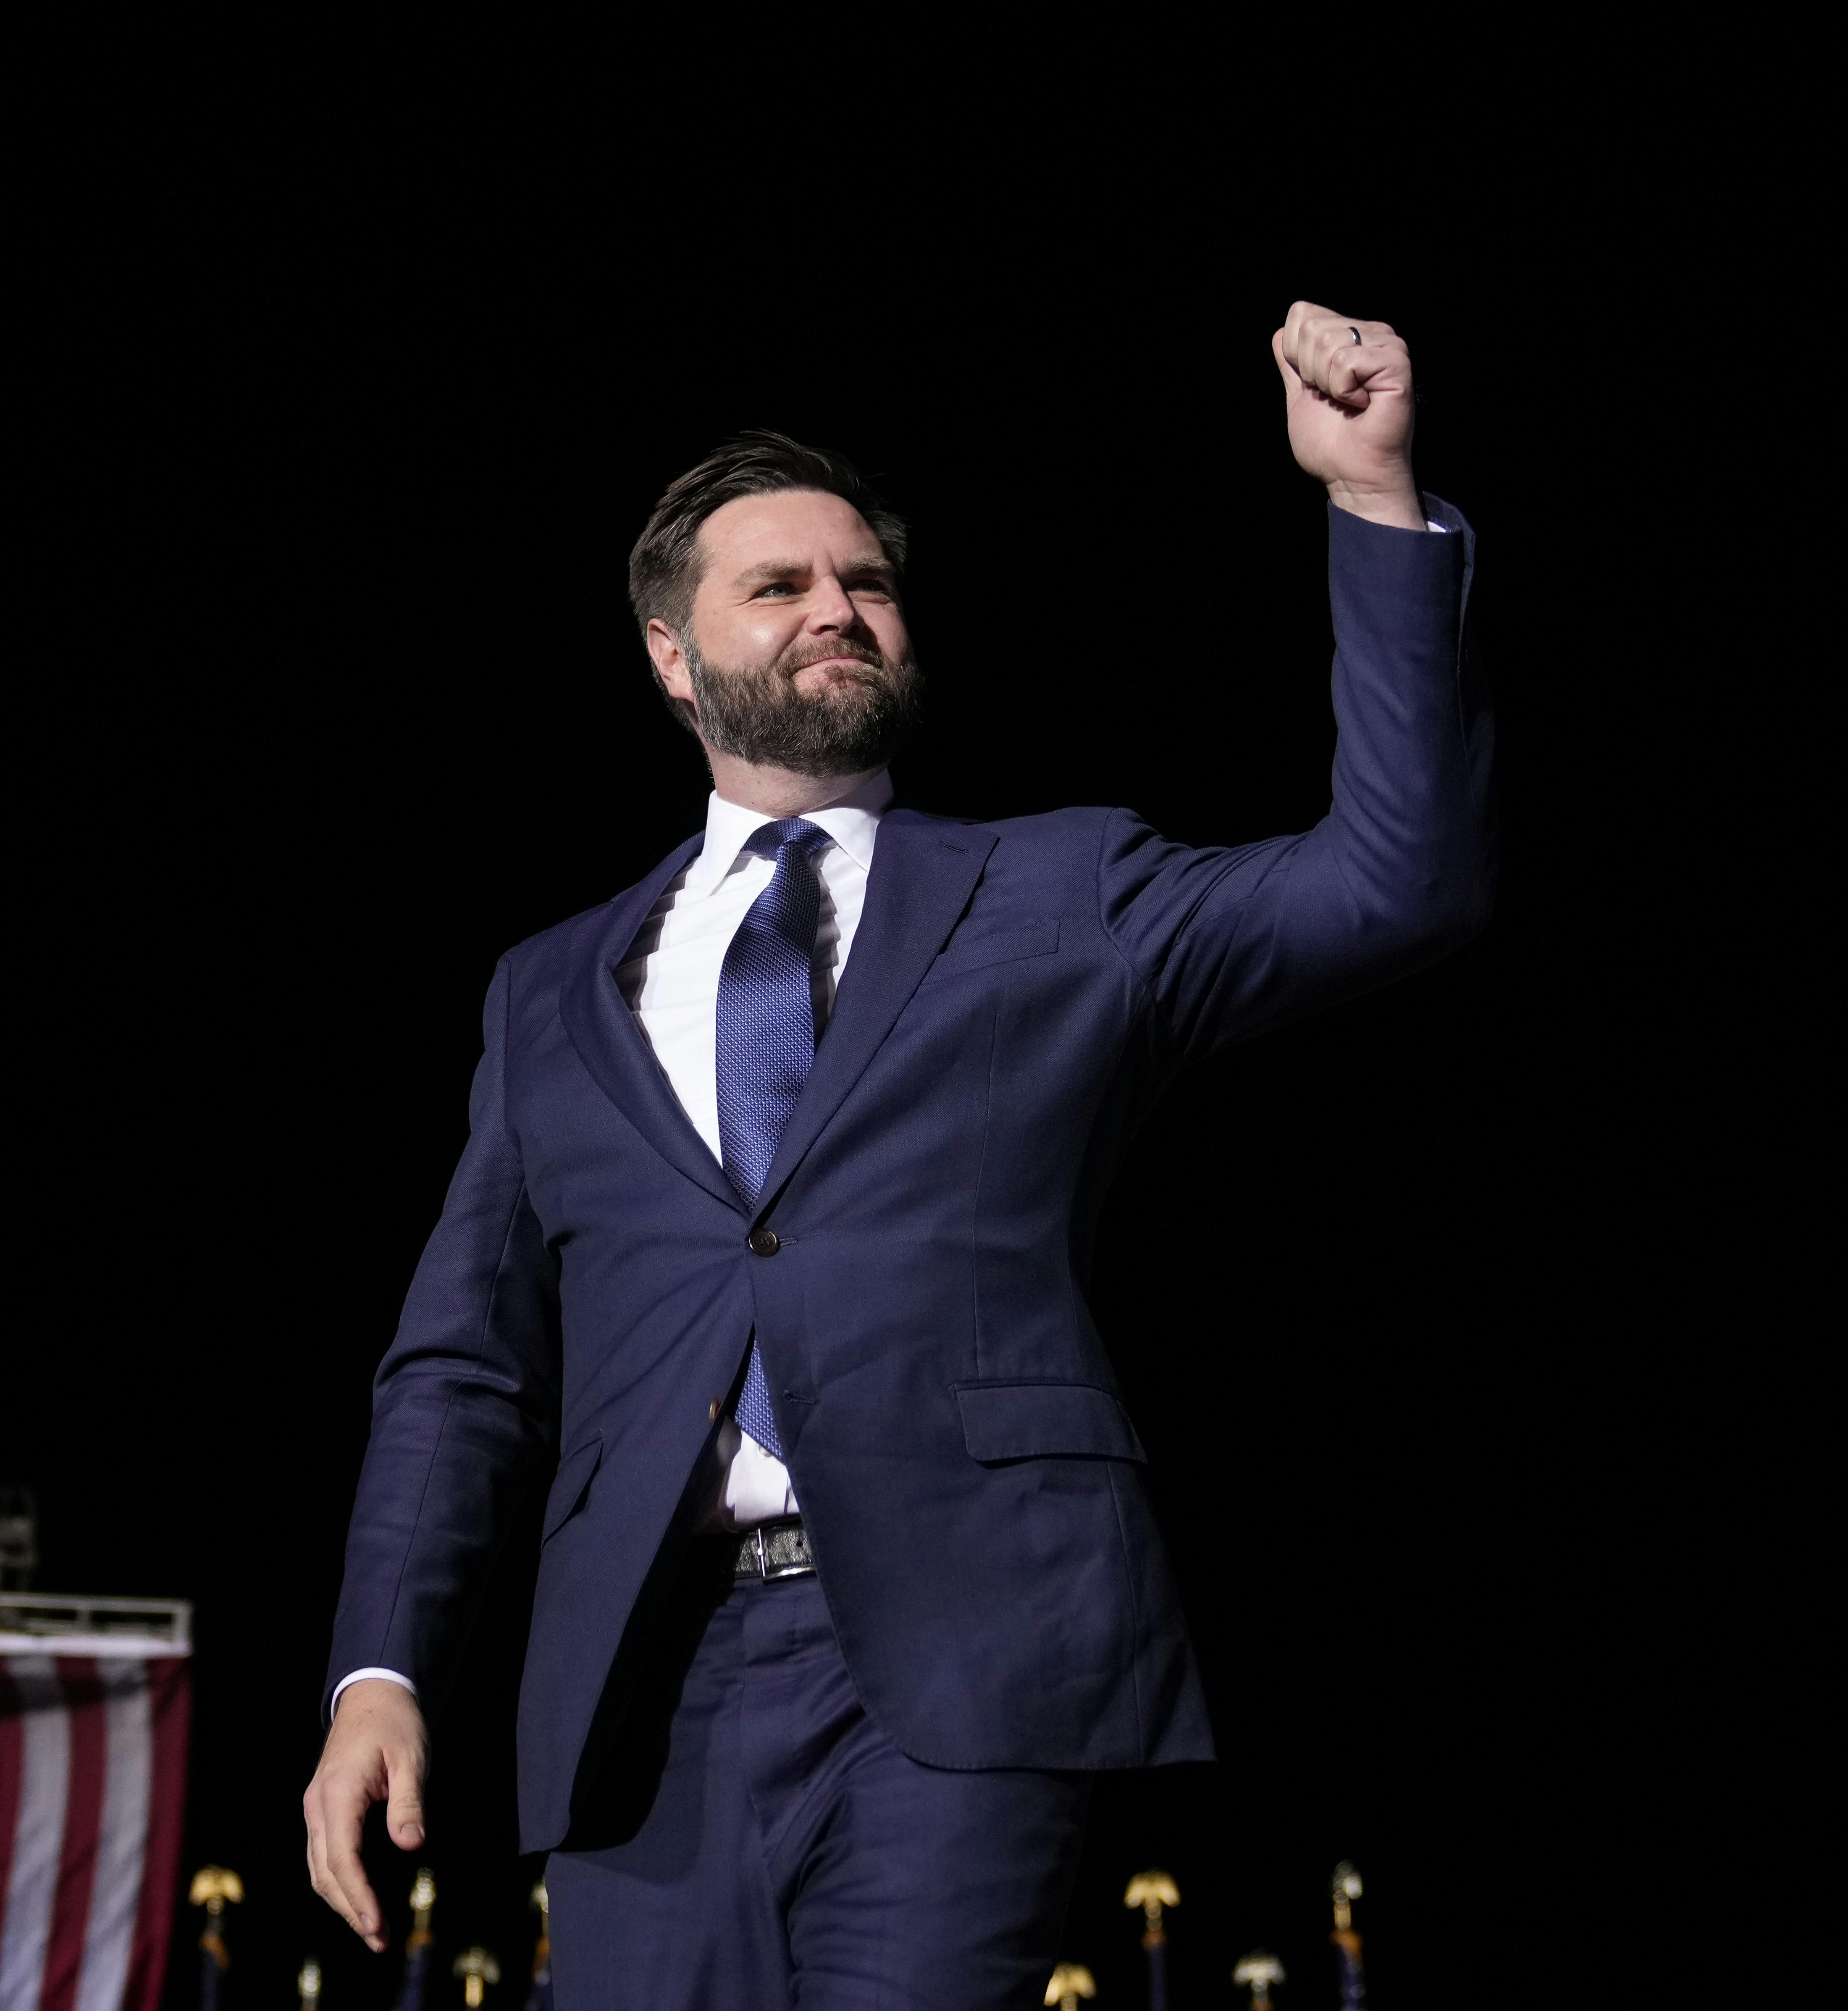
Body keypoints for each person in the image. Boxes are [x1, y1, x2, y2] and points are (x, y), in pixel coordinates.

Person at [303, 302, 1493, 2009]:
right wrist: (375, 1671)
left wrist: (1372, 499)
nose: (835, 610)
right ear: (667, 653)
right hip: (644, 1693)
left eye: (862, 581)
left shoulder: (1060, 888)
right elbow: (459, 1370)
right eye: (776, 587)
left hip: (960, 1660)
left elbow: (1399, 885)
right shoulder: (548, 990)